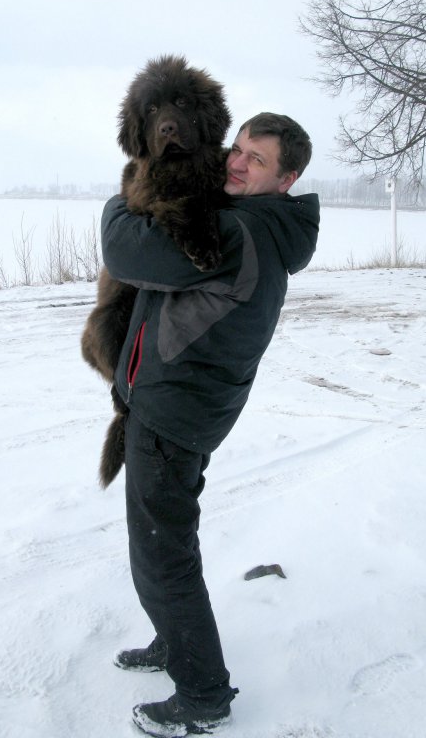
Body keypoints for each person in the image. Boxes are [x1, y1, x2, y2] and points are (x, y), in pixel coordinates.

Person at [100, 112, 320, 737]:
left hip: (174, 415)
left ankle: (204, 695)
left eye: (258, 160)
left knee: (163, 557)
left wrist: (127, 194)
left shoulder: (240, 230)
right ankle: (175, 643)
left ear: (286, 179)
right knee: (164, 545)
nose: (238, 162)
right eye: (239, 148)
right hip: (184, 407)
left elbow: (126, 250)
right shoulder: (264, 225)